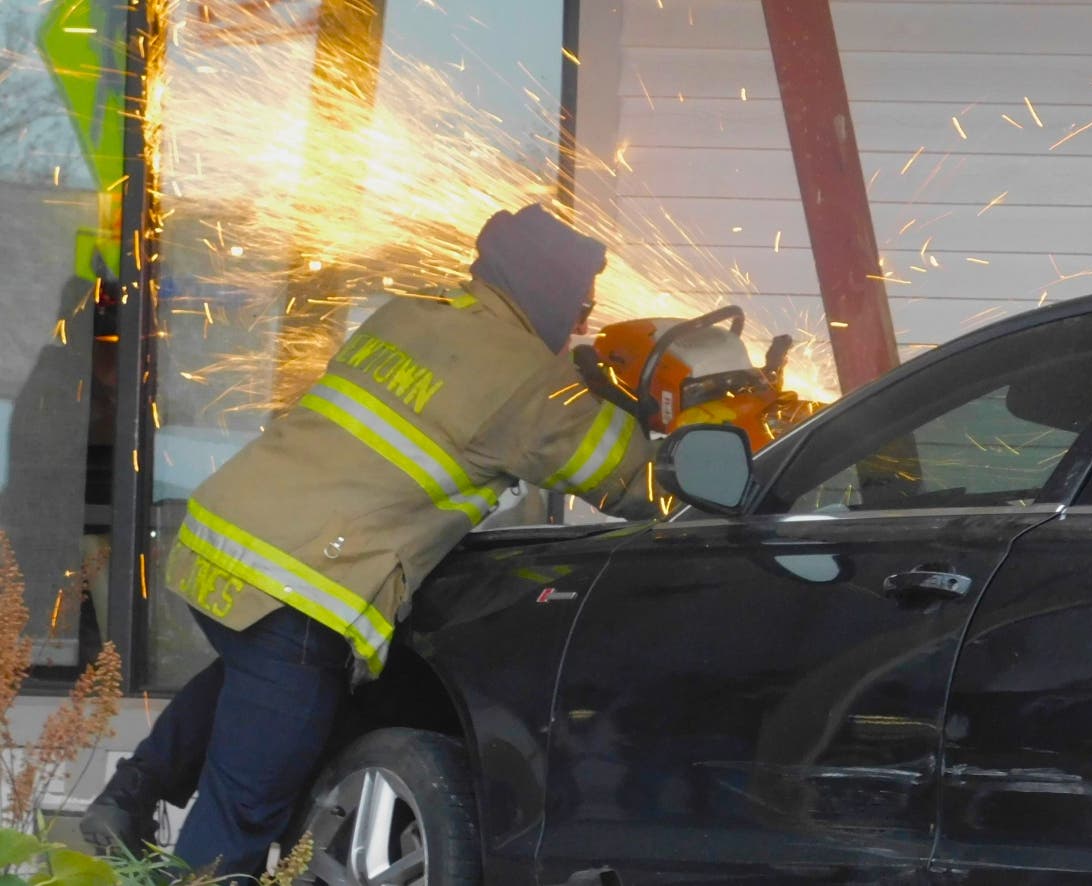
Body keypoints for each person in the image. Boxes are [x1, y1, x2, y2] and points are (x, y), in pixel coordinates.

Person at [79, 204, 660, 875]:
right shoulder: (528, 380)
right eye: (582, 300)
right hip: (299, 580)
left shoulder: (412, 313)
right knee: (248, 800)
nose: (585, 319)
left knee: (254, 676)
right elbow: (632, 482)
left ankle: (128, 797)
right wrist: (640, 406)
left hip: (225, 542)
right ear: (548, 290)